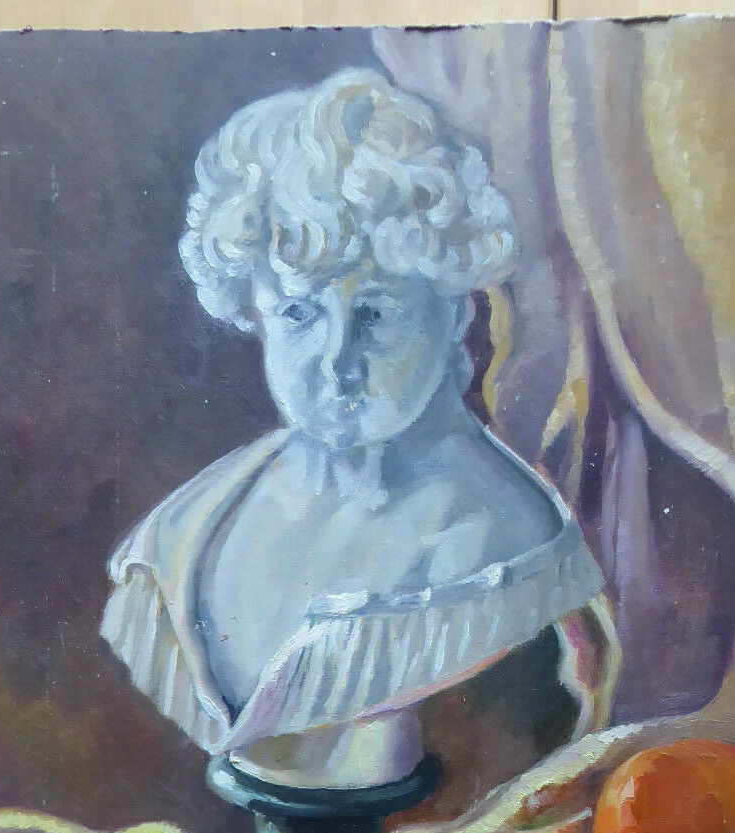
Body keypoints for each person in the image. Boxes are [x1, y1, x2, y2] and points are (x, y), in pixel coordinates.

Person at [102, 68, 604, 789]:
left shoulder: (505, 546)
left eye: (376, 312)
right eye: (299, 313)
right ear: (252, 313)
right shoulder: (186, 534)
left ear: (454, 312)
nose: (339, 358)